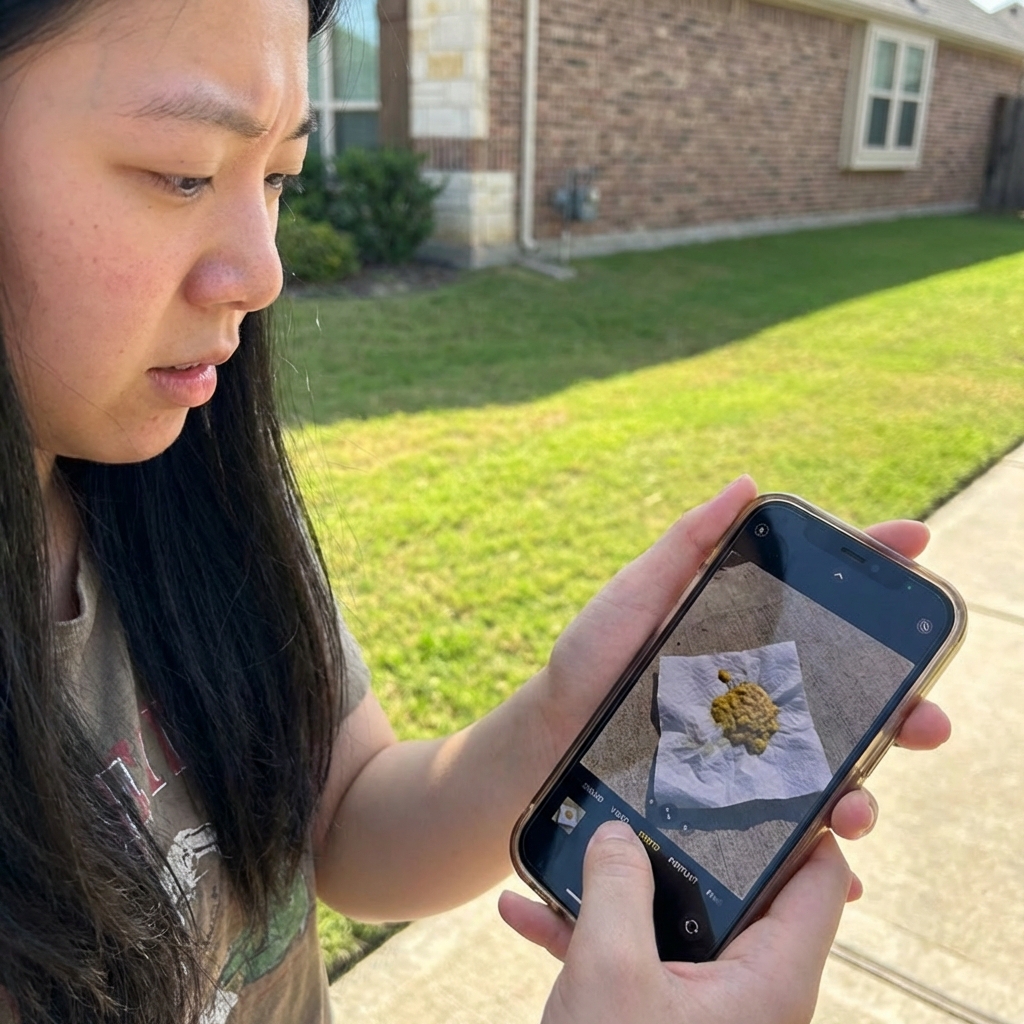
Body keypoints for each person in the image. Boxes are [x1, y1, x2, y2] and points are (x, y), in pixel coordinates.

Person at [0, 0, 952, 1021]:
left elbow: (344, 823)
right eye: (184, 171)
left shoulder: (190, 481)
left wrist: (560, 716)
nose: (264, 272)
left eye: (277, 176)